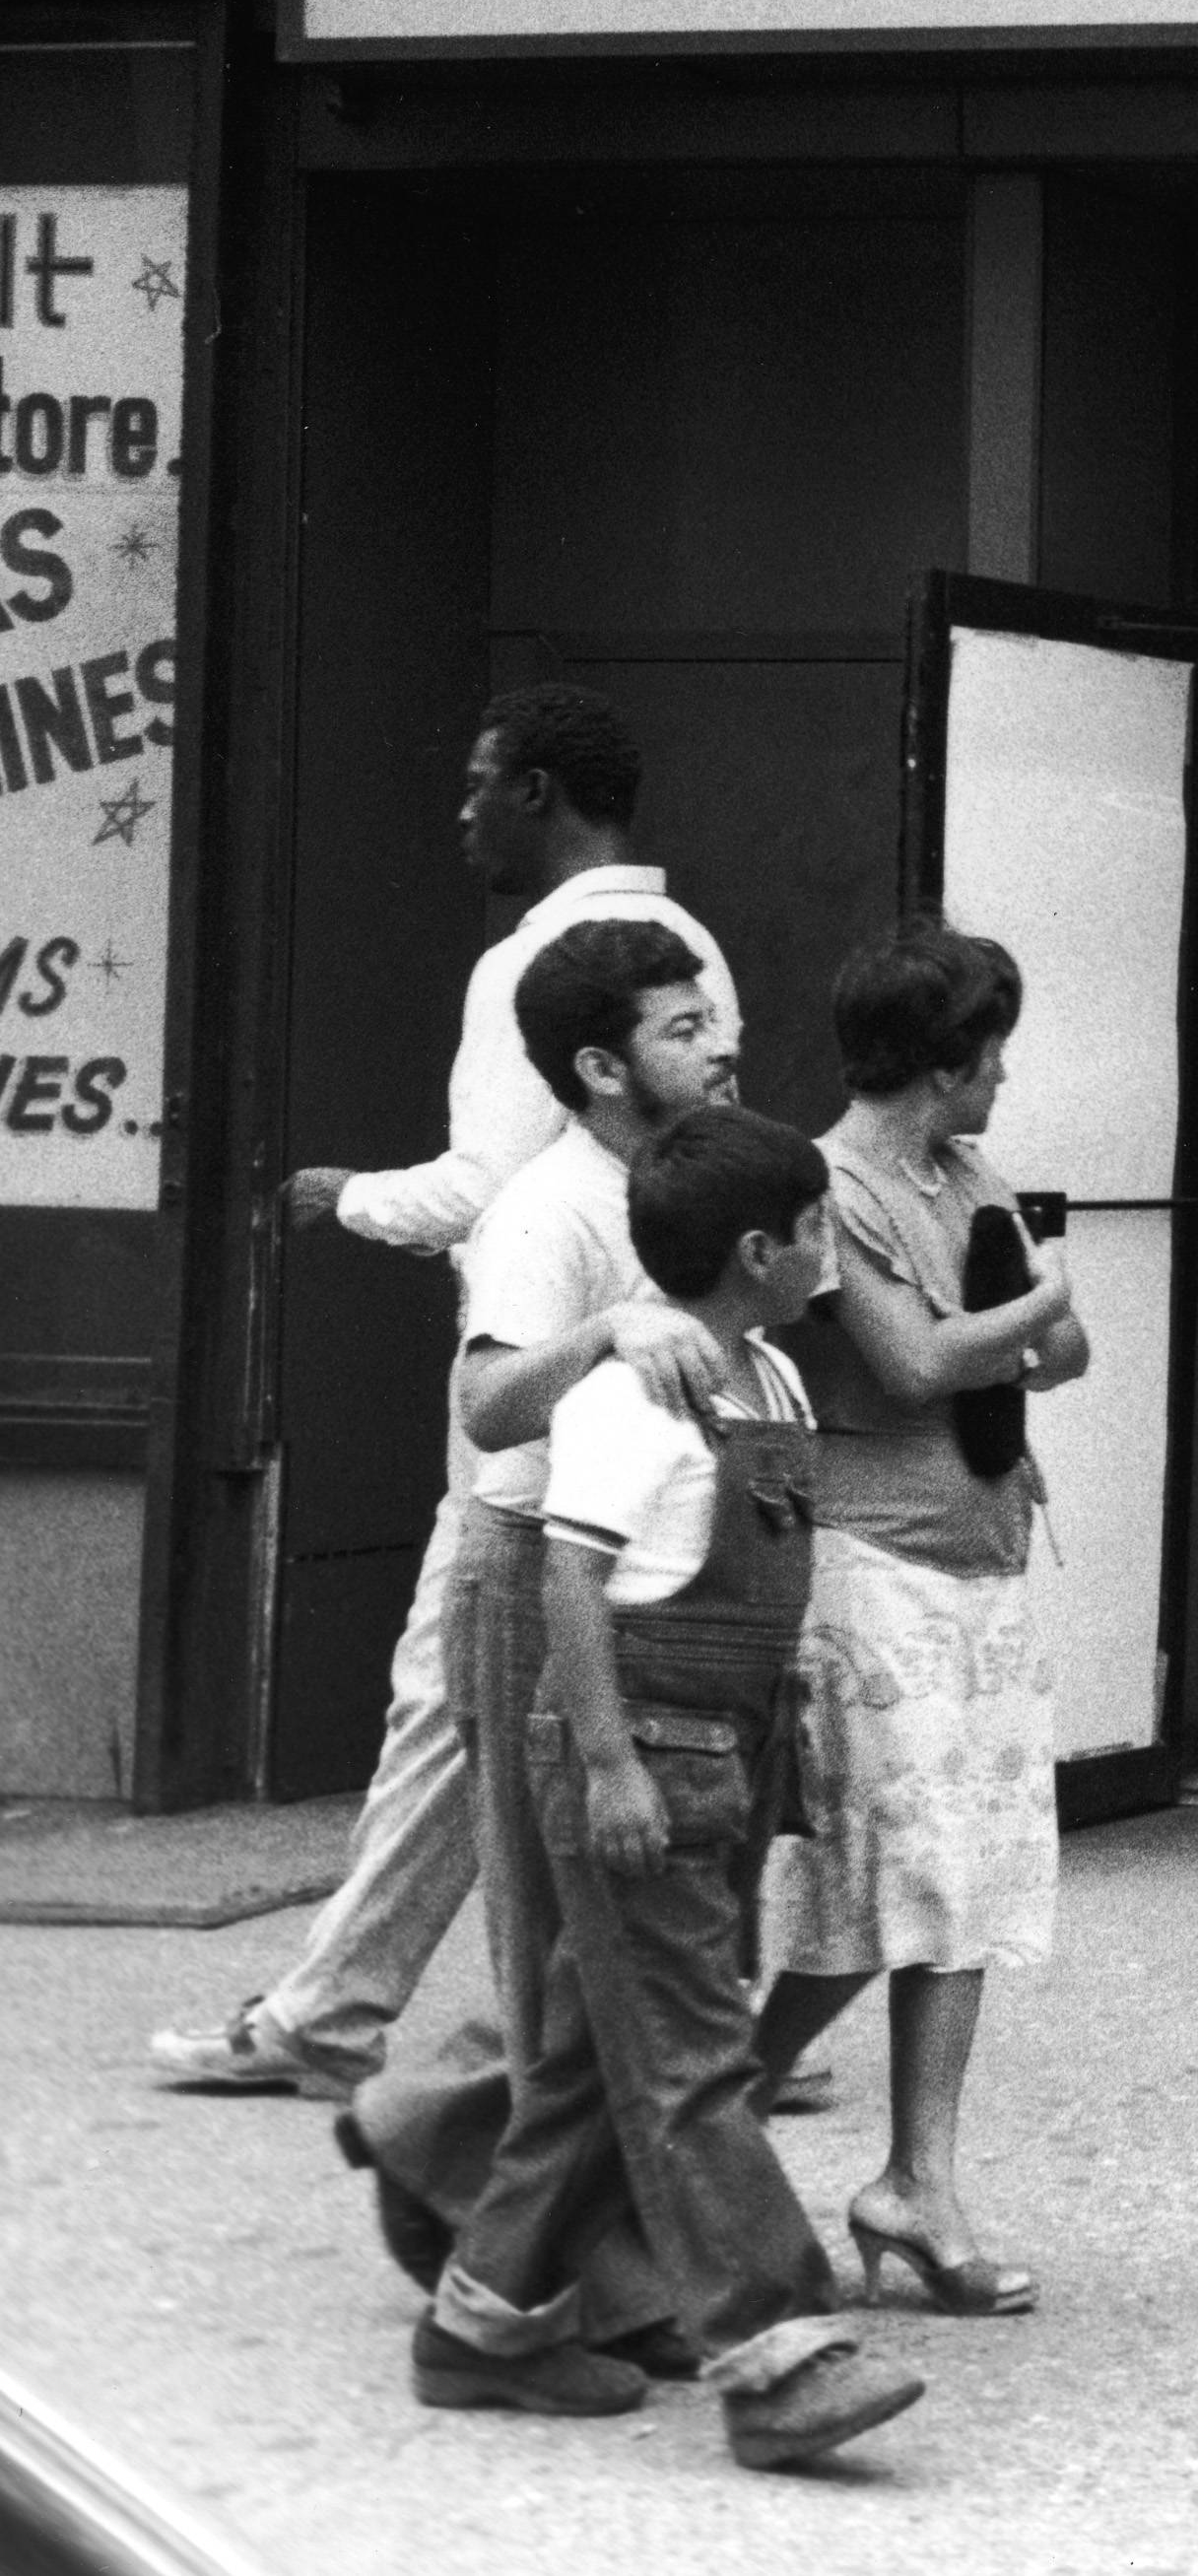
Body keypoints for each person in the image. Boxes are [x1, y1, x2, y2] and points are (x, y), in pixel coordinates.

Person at [155, 686, 741, 2100]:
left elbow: (483, 1190)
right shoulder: (695, 955)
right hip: (672, 1376)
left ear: (537, 791)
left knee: (452, 1694)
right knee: (633, 1692)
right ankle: (686, 2010)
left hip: (538, 1382)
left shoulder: (527, 964)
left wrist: (343, 1196)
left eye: (482, 782)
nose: (463, 810)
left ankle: (332, 2018)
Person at [416, 1106, 925, 2472]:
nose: (829, 1248)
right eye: (818, 1228)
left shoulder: (774, 1378)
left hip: (724, 1758)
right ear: (762, 1250)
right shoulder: (633, 1394)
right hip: (641, 1757)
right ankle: (779, 2354)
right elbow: (571, 1581)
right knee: (697, 2060)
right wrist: (606, 1768)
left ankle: (481, 2324)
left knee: (595, 2064)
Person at [341, 919, 744, 2352]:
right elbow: (489, 1405)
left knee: (626, 1957)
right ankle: (572, 2274)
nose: (722, 1046)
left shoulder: (693, 1186)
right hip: (532, 1576)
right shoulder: (549, 1208)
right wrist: (609, 1335)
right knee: (557, 1945)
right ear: (601, 1066)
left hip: (660, 1585)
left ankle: (437, 2135)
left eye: (715, 1019)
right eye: (684, 1029)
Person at [751, 922, 1085, 2319]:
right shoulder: (831, 1189)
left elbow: (1059, 1356)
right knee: (879, 1873)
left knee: (967, 1885)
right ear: (942, 1065)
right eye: (991, 1052)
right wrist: (1033, 1306)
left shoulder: (966, 1173)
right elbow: (908, 1362)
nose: (1005, 1075)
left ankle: (918, 2184)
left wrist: (1019, 1326)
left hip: (979, 1557)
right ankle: (712, 2105)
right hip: (871, 1563)